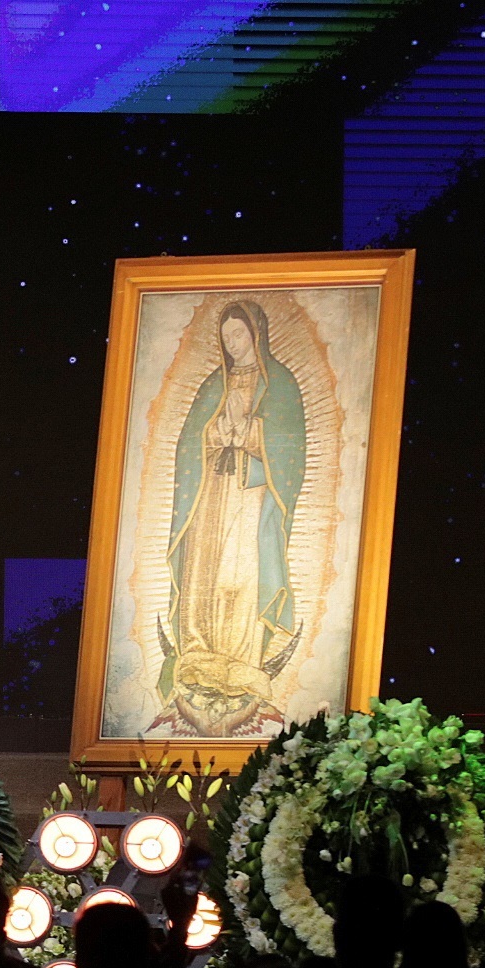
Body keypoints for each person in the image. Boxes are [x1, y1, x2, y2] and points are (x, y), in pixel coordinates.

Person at [158, 298, 307, 737]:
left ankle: (241, 661)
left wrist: (252, 434)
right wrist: (212, 435)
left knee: (241, 572)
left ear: (256, 335)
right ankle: (198, 653)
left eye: (239, 335)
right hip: (211, 496)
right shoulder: (212, 384)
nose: (233, 344)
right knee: (203, 572)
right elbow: (190, 442)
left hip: (250, 494)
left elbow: (290, 446)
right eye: (226, 338)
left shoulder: (278, 383)